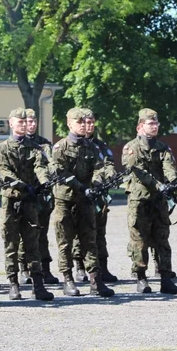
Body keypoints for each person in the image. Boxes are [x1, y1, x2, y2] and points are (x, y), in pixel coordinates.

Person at [50, 108, 115, 297]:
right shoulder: (60, 147)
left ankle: (96, 280)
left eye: (84, 122)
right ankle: (68, 279)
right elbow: (60, 171)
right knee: (65, 241)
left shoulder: (91, 147)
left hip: (86, 201)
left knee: (90, 240)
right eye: (79, 122)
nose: (83, 125)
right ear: (69, 124)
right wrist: (81, 186)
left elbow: (99, 167)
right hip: (66, 200)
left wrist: (95, 183)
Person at [0, 108, 54, 301]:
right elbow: (3, 170)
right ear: (11, 124)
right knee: (11, 244)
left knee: (33, 243)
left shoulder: (35, 148)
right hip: (11, 202)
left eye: (24, 122)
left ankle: (38, 284)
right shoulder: (2, 149)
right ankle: (13, 283)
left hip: (30, 202)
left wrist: (44, 183)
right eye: (18, 122)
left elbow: (40, 166)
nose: (22, 125)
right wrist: (21, 184)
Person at [121, 108, 177, 295]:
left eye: (156, 123)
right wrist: (159, 185)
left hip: (159, 202)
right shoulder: (131, 147)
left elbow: (169, 167)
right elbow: (138, 172)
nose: (155, 126)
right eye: (151, 124)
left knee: (162, 240)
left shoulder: (163, 148)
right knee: (139, 241)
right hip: (139, 201)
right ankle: (141, 277)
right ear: (140, 126)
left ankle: (166, 279)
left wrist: (172, 182)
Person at [73, 109, 118, 283]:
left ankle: (102, 267)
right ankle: (79, 267)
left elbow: (109, 164)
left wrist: (109, 175)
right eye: (85, 122)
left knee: (99, 232)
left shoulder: (100, 145)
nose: (89, 126)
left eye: (91, 122)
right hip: (79, 195)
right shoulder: (74, 144)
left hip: (98, 195)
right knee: (79, 233)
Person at [23, 108, 59, 284]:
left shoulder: (44, 145)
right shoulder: (17, 144)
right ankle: (24, 269)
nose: (31, 124)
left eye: (34, 121)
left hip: (41, 194)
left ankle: (45, 268)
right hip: (24, 194)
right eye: (28, 121)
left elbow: (52, 163)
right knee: (24, 233)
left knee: (42, 233)